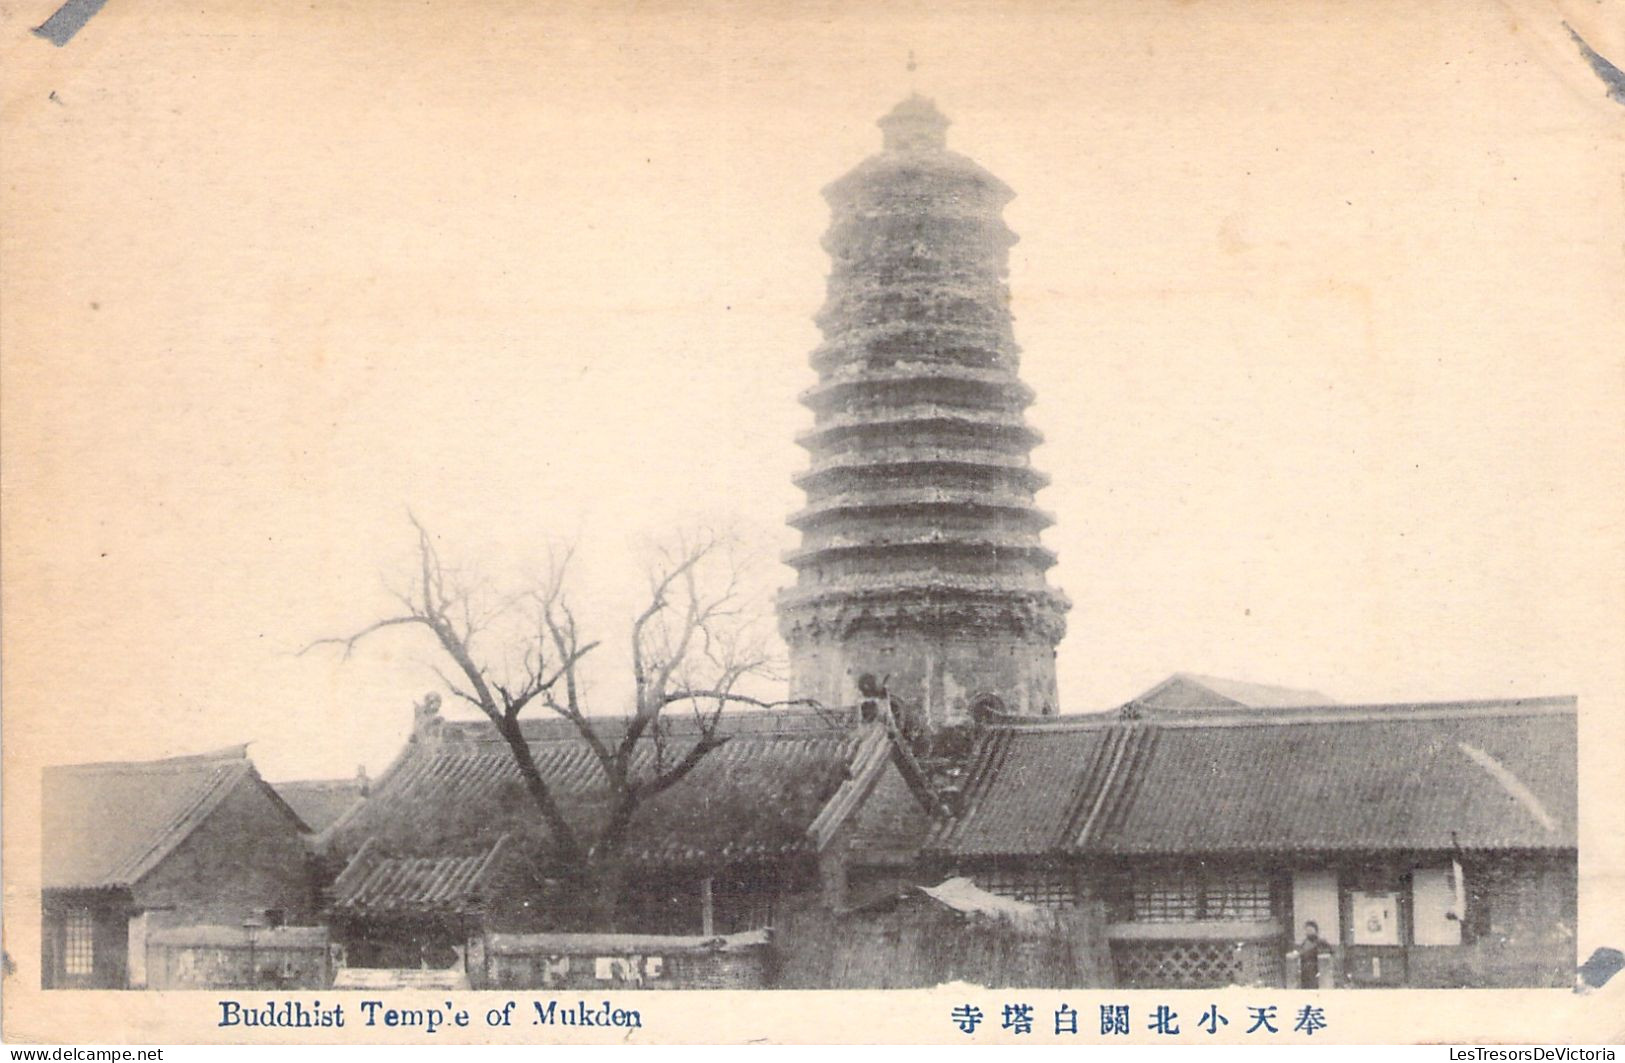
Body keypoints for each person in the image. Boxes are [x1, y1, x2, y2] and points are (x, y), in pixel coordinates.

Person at [1289, 921, 1335, 988]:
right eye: (1307, 930)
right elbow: (1301, 952)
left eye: (1310, 930)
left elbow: (1330, 952)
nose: (1308, 932)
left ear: (1316, 931)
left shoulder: (1321, 942)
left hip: (1315, 970)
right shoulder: (1305, 942)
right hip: (1305, 971)